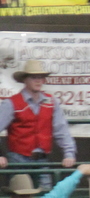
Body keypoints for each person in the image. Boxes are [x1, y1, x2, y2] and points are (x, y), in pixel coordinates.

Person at [0, 59, 77, 189]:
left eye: (41, 77)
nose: (38, 80)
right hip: (18, 158)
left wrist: (69, 152)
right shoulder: (11, 103)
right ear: (25, 80)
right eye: (34, 77)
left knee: (45, 196)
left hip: (42, 158)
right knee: (21, 194)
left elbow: (61, 129)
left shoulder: (51, 102)